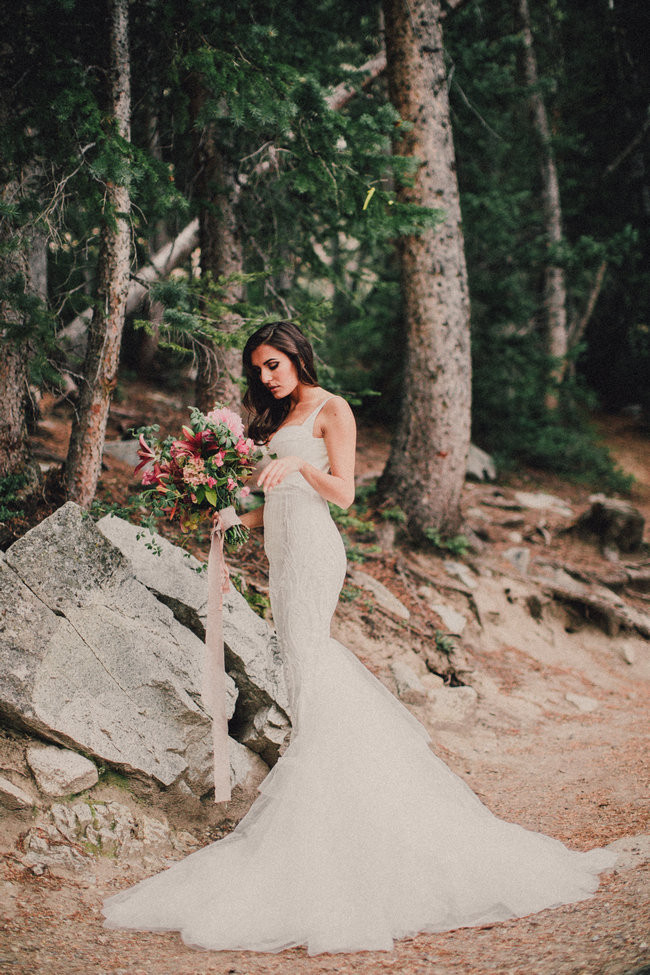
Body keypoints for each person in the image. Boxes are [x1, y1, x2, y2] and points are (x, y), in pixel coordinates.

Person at [102, 321, 616, 955]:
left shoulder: (331, 408)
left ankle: (345, 819)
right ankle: (336, 817)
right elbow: (278, 497)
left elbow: (342, 493)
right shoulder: (278, 415)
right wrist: (236, 513)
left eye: (274, 363)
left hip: (316, 553)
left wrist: (295, 463)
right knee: (300, 672)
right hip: (282, 553)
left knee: (313, 667)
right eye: (258, 368)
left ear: (296, 356)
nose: (266, 376)